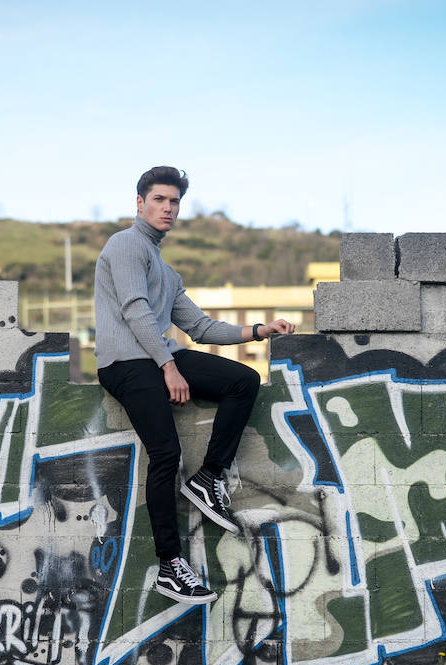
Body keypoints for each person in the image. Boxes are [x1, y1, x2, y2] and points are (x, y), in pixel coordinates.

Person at [94, 166, 295, 605]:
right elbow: (134, 311)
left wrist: (261, 331)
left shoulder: (166, 272)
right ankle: (170, 566)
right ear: (140, 203)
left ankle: (209, 477)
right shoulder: (125, 245)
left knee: (243, 379)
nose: (168, 208)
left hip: (156, 356)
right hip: (127, 362)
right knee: (166, 452)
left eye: (174, 202)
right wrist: (168, 366)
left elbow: (201, 327)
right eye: (160, 199)